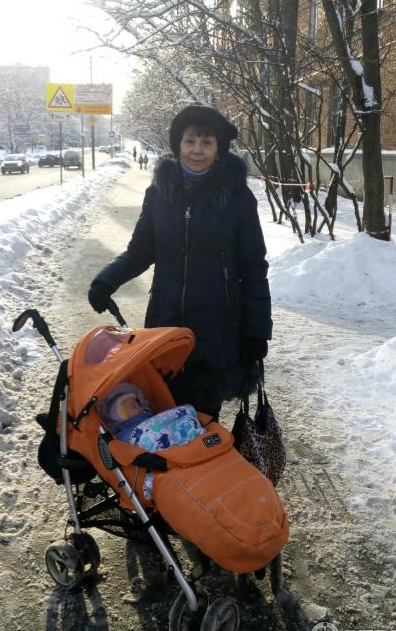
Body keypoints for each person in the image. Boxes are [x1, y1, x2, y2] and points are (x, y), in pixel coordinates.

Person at [88, 104, 271, 418]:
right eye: (190, 141)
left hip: (216, 329)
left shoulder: (237, 197)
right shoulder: (159, 192)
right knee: (159, 414)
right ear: (178, 144)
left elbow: (254, 267)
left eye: (206, 142)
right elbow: (141, 251)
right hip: (165, 322)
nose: (197, 150)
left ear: (218, 149)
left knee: (202, 422)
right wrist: (107, 280)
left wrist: (257, 331)